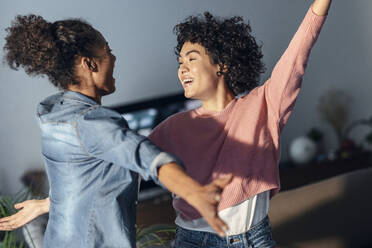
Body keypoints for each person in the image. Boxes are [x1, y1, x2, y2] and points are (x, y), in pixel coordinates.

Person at [1, 0, 332, 247]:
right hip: (191, 239)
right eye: (179, 62)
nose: (182, 68)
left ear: (222, 65)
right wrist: (49, 203)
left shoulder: (264, 105)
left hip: (251, 239)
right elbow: (114, 171)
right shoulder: (171, 128)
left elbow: (299, 52)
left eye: (191, 59)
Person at [0, 14, 232, 248]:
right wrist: (194, 193)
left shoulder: (54, 113)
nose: (113, 57)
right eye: (107, 51)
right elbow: (148, 158)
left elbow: (77, 179)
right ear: (89, 63)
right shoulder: (91, 122)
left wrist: (47, 204)